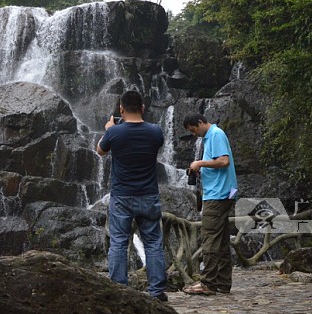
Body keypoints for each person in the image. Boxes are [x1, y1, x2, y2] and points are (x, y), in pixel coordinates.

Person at [96, 89, 168, 301]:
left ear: (121, 109)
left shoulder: (114, 132)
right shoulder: (155, 131)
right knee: (153, 242)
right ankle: (156, 291)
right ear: (143, 108)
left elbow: (100, 151)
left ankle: (119, 290)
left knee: (118, 241)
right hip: (149, 195)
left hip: (122, 196)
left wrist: (109, 129)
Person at [181, 113, 238, 296]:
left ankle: (208, 283)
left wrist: (200, 163)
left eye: (193, 129)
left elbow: (223, 161)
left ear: (200, 122)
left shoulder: (215, 134)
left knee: (209, 237)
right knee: (220, 241)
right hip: (221, 192)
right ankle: (222, 282)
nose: (194, 134)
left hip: (218, 194)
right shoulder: (211, 136)